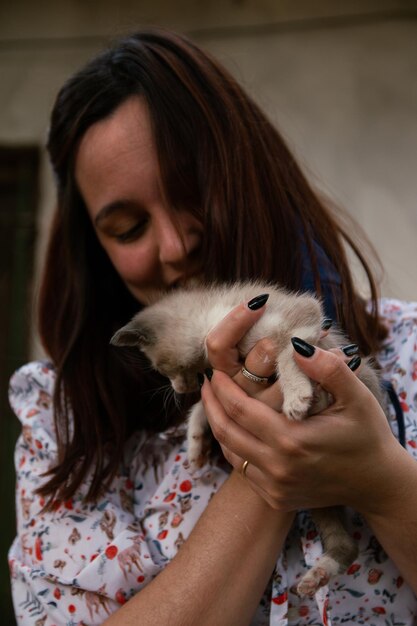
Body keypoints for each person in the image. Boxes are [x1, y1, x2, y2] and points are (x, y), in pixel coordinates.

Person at [8, 29, 417, 626]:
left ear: (253, 173)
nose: (176, 246)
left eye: (193, 194)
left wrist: (383, 483)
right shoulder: (60, 421)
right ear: (93, 251)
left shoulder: (407, 349)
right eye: (127, 228)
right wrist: (269, 452)